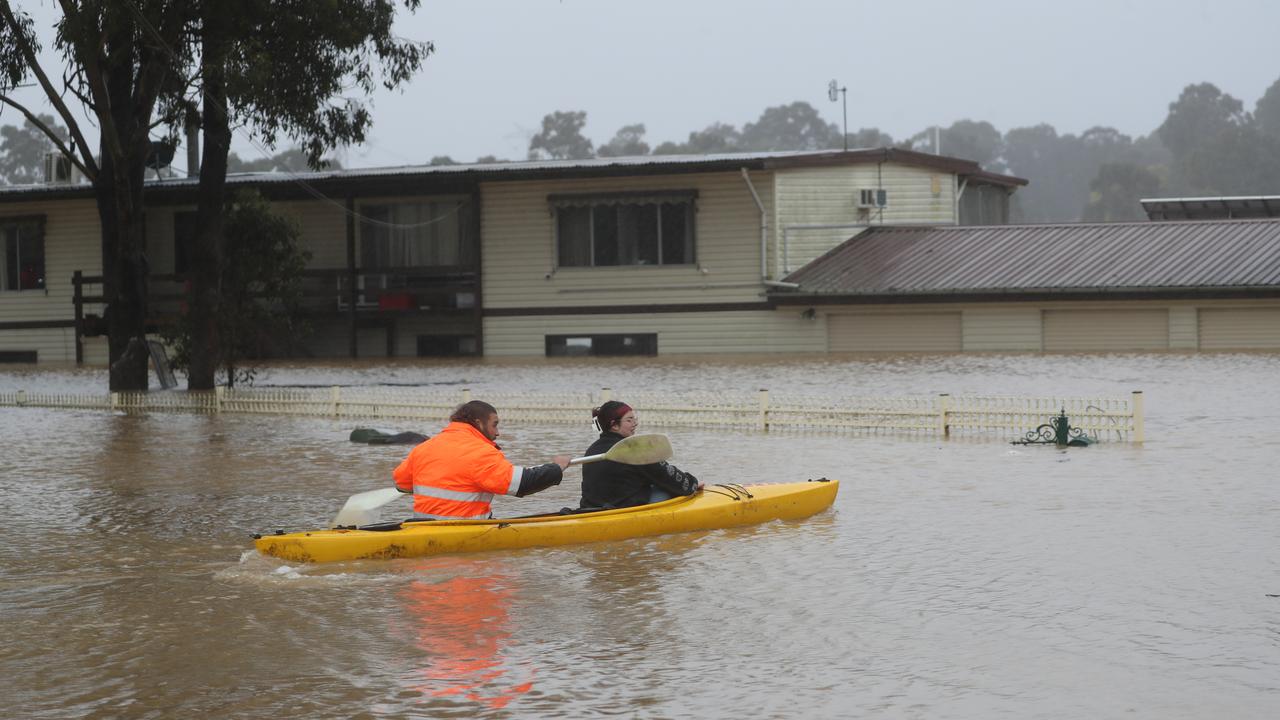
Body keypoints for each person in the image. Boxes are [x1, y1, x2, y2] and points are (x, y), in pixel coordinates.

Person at [395, 400, 570, 520]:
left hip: (422, 527)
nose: (498, 433)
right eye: (494, 424)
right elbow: (522, 484)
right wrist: (557, 468)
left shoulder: (423, 448)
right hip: (466, 531)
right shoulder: (481, 453)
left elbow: (402, 484)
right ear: (478, 424)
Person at [579, 400, 701, 509]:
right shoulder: (634, 448)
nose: (635, 423)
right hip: (623, 511)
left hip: (592, 509)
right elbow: (668, 478)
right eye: (629, 420)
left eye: (634, 419)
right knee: (665, 488)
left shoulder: (591, 450)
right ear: (614, 425)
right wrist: (692, 484)